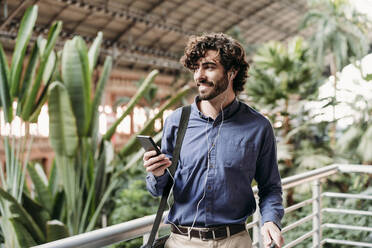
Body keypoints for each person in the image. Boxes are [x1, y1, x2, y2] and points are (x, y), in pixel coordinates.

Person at [143, 33, 284, 248]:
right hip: (182, 242)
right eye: (196, 68)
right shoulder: (177, 121)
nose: (199, 75)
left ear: (232, 72)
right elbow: (158, 190)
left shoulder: (258, 126)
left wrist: (271, 221)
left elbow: (270, 187)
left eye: (208, 67)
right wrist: (157, 173)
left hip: (235, 241)